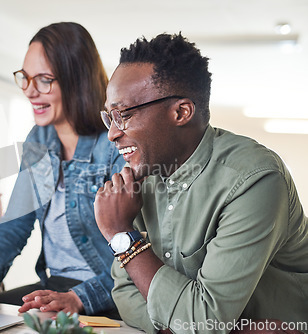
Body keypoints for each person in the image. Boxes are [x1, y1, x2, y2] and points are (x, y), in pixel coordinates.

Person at [94, 32, 308, 333]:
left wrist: (122, 235)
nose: (113, 134)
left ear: (181, 112)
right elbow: (126, 297)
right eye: (110, 118)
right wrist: (193, 326)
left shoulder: (254, 179)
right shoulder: (140, 177)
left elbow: (202, 323)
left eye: (124, 115)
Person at [0, 22, 125, 316]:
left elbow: (137, 251)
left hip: (112, 294)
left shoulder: (115, 145)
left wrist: (78, 298)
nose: (30, 91)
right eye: (25, 78)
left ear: (77, 80)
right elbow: (16, 223)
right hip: (57, 286)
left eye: (44, 80)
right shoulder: (40, 139)